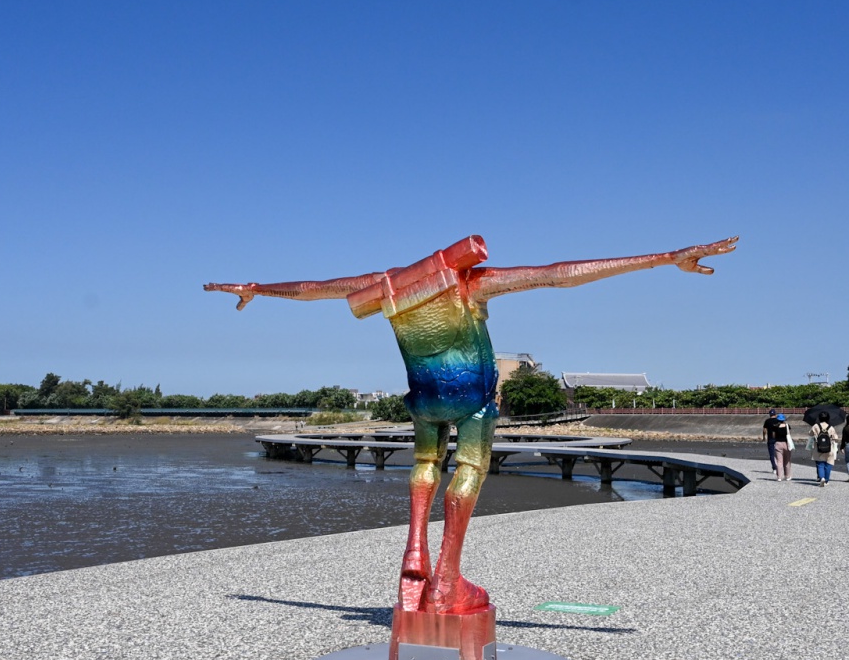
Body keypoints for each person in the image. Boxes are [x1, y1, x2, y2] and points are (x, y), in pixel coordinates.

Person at [206, 234, 738, 616]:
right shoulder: (470, 285)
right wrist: (666, 258)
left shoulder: (388, 289)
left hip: (423, 400)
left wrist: (258, 287)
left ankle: (414, 552)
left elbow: (316, 289)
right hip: (472, 401)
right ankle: (443, 579)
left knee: (423, 463)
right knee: (470, 466)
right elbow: (559, 274)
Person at [809, 410, 839, 487]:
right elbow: (836, 438)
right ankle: (826, 480)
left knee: (820, 464)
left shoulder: (816, 426)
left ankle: (821, 477)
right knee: (828, 464)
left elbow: (810, 434)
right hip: (829, 448)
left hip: (818, 447)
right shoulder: (831, 427)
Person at [771, 413, 793, 481]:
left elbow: (773, 436)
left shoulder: (775, 426)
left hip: (778, 443)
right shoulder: (787, 426)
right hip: (786, 444)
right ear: (784, 419)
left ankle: (779, 477)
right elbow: (789, 434)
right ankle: (787, 476)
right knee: (787, 461)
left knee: (779, 461)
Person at [762, 411, 781, 475]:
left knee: (771, 454)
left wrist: (764, 437)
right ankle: (780, 468)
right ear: (775, 414)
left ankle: (774, 468)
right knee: (779, 454)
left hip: (770, 439)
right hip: (778, 439)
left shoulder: (767, 421)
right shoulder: (778, 420)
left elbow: (764, 430)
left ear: (770, 415)